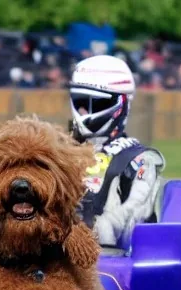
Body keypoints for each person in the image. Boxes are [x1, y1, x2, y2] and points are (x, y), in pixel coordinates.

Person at [69, 54, 166, 248]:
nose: (84, 113)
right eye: (81, 103)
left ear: (120, 104)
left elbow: (133, 214)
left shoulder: (140, 158)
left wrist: (96, 229)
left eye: (96, 104)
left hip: (109, 257)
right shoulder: (58, 149)